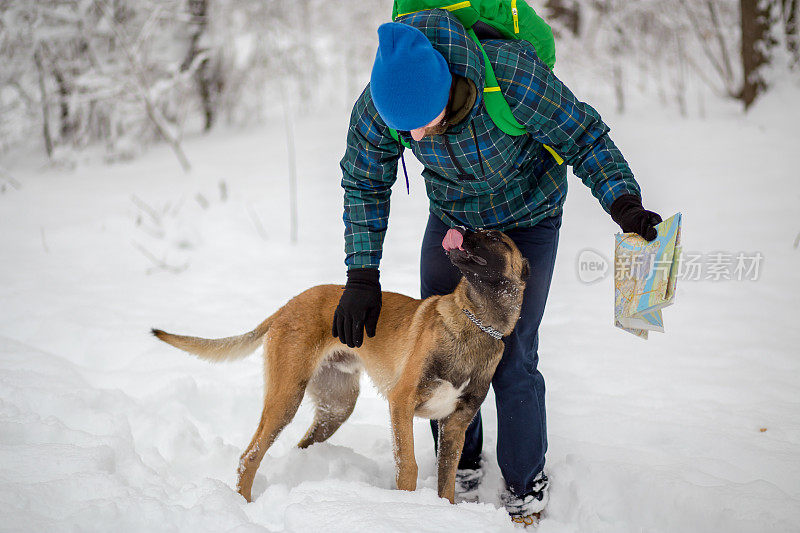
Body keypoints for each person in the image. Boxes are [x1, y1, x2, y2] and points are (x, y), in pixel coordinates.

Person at [331, 8, 661, 524]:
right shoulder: (383, 102)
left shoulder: (507, 76)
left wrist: (623, 202)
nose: (415, 139)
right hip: (456, 225)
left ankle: (525, 482)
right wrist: (361, 274)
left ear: (448, 88)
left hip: (528, 217)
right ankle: (457, 463)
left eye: (423, 123)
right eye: (405, 131)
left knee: (511, 354)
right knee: (439, 347)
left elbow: (584, 136)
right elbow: (364, 181)